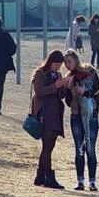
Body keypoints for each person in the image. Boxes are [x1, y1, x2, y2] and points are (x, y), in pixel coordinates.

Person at [63, 50, 99, 191]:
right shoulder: (69, 78)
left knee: (90, 148)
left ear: (76, 60)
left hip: (91, 115)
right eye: (65, 62)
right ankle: (80, 181)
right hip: (76, 116)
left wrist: (84, 93)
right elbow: (66, 100)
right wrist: (72, 95)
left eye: (69, 61)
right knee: (79, 148)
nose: (67, 65)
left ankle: (92, 181)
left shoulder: (90, 71)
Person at [31, 51, 68, 189]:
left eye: (59, 65)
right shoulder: (40, 73)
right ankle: (48, 177)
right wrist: (56, 86)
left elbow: (61, 95)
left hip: (54, 111)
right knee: (47, 146)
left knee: (49, 146)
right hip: (45, 112)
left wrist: (65, 86)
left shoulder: (57, 74)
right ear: (50, 62)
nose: (58, 67)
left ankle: (40, 175)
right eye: (56, 65)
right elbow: (39, 91)